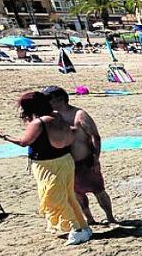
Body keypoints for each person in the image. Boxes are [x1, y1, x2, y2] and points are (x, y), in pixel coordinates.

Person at [0, 92, 92, 245]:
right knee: (68, 196)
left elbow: (24, 142)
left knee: (53, 198)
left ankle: (76, 229)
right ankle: (83, 227)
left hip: (48, 165)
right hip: (65, 160)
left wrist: (3, 136)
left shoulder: (38, 123)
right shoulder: (56, 115)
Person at [43, 86, 116, 226]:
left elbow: (95, 137)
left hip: (86, 161)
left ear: (60, 99)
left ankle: (110, 217)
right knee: (77, 195)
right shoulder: (52, 117)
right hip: (67, 163)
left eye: (49, 99)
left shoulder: (79, 114)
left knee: (99, 191)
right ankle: (90, 219)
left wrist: (96, 159)